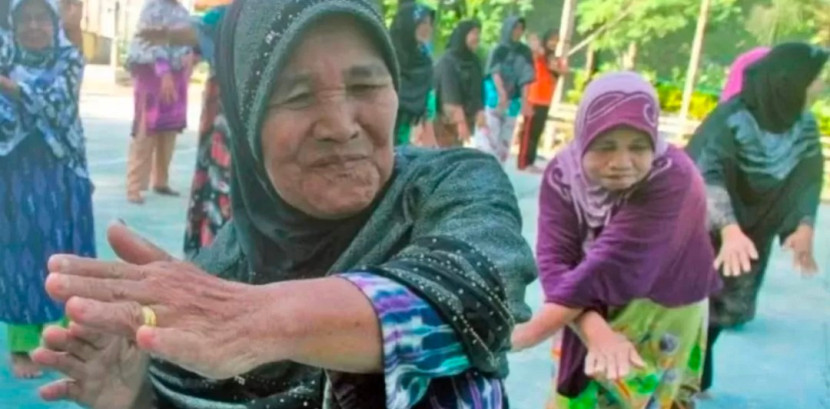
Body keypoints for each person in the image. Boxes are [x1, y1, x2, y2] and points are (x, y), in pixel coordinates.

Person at [32, 1, 537, 408]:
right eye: (297, 95)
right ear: (246, 123)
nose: (340, 125)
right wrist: (141, 398)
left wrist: (258, 321)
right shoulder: (223, 272)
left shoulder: (448, 184)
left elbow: (480, 294)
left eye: (364, 85)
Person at [511, 72, 721, 408]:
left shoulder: (674, 176)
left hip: (663, 307)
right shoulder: (563, 175)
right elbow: (556, 262)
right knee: (579, 399)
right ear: (583, 138)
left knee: (649, 400)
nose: (621, 163)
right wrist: (596, 331)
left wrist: (527, 334)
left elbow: (613, 263)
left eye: (638, 147)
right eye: (605, 146)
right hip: (581, 302)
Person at [686, 42, 827, 394]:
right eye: (816, 79)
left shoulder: (803, 125)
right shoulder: (732, 118)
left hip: (753, 233)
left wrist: (803, 225)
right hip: (703, 228)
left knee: (723, 307)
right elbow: (707, 174)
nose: (822, 86)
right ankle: (681, 377)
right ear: (790, 80)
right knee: (685, 303)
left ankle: (694, 374)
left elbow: (808, 177)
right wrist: (729, 228)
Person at [0, 0, 95, 379]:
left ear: (54, 23)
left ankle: (60, 338)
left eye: (42, 18)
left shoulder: (69, 59)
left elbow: (60, 102)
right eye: (26, 19)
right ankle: (22, 345)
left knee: (63, 251)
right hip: (18, 174)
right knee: (20, 255)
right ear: (13, 23)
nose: (35, 27)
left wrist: (10, 87)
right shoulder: (6, 53)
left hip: (62, 173)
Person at [137, 6, 232, 256]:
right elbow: (195, 30)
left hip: (242, 123)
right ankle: (137, 186)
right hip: (221, 126)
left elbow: (194, 32)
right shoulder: (232, 12)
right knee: (144, 137)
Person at [124, 0, 193, 204]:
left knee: (169, 129)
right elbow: (151, 41)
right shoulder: (152, 7)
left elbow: (188, 42)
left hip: (177, 75)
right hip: (152, 74)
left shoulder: (181, 11)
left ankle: (161, 180)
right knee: (147, 129)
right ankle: (134, 186)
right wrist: (164, 72)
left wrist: (189, 61)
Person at [474, 16, 535, 164]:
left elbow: (526, 77)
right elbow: (494, 71)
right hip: (493, 99)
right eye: (515, 28)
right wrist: (501, 92)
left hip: (513, 102)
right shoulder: (497, 49)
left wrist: (525, 101)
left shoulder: (525, 52)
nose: (518, 32)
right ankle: (481, 174)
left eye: (521, 28)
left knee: (504, 143)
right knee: (488, 140)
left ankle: (497, 177)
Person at [517, 29, 567, 173]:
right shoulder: (539, 56)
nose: (553, 43)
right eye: (551, 39)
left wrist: (554, 66)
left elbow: (563, 71)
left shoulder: (555, 59)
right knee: (528, 133)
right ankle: (523, 163)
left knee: (537, 132)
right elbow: (533, 49)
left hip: (546, 101)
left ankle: (530, 162)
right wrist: (539, 49)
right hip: (533, 99)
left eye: (556, 40)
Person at [390, 1, 437, 147]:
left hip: (409, 139)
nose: (428, 28)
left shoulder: (424, 61)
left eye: (430, 24)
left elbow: (428, 101)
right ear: (408, 24)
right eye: (422, 23)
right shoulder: (387, 57)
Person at [433, 19, 485, 148]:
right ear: (463, 35)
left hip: (464, 121)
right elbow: (449, 95)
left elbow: (478, 89)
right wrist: (460, 122)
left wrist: (479, 111)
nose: (477, 38)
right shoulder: (447, 62)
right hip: (445, 124)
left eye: (479, 33)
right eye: (473, 33)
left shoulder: (474, 61)